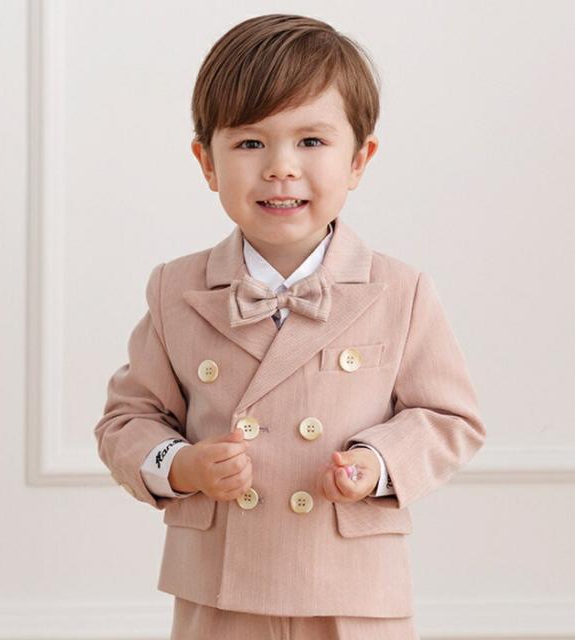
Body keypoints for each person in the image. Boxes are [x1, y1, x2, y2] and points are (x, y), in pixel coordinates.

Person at [93, 13, 486, 640]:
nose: (281, 166)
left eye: (311, 141)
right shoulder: (176, 289)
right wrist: (184, 465)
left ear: (359, 159)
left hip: (351, 587)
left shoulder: (400, 290)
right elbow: (127, 420)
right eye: (250, 143)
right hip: (221, 585)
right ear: (206, 162)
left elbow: (448, 418)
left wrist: (376, 463)